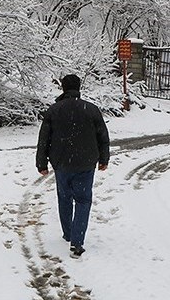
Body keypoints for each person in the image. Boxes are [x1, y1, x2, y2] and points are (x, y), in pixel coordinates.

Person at [36, 74, 110, 258]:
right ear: (79, 87)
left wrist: (41, 163)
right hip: (85, 163)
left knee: (64, 198)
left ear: (63, 88)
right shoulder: (91, 110)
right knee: (83, 200)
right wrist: (104, 159)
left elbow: (44, 139)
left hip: (61, 164)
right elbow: (103, 136)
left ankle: (68, 233)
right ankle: (77, 242)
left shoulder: (54, 110)